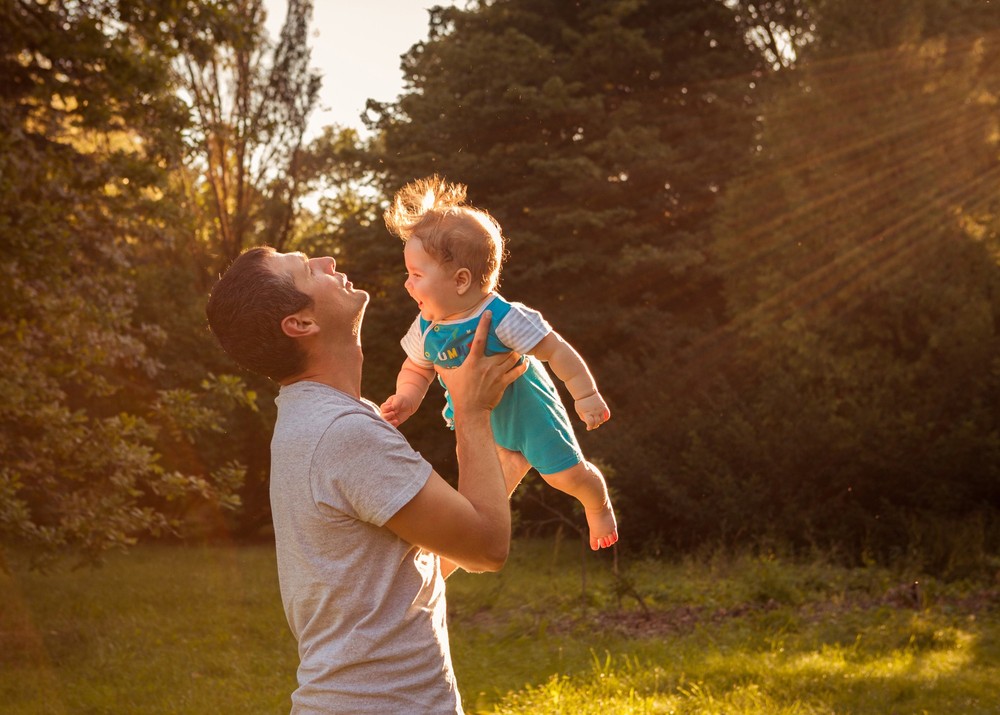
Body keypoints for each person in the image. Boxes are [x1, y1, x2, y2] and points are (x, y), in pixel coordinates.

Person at [206, 245, 531, 714]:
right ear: (301, 324)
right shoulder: (345, 433)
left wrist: (511, 461)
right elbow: (487, 548)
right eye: (305, 270)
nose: (328, 263)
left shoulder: (320, 418)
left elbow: (401, 578)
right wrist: (471, 411)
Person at [380, 176, 619, 551]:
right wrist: (406, 399)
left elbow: (555, 350)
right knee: (475, 490)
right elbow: (417, 368)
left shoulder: (503, 317)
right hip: (477, 422)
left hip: (530, 414)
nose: (407, 285)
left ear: (461, 280)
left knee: (565, 476)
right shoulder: (427, 325)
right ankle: (458, 550)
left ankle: (597, 502)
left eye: (416, 275)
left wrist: (585, 394)